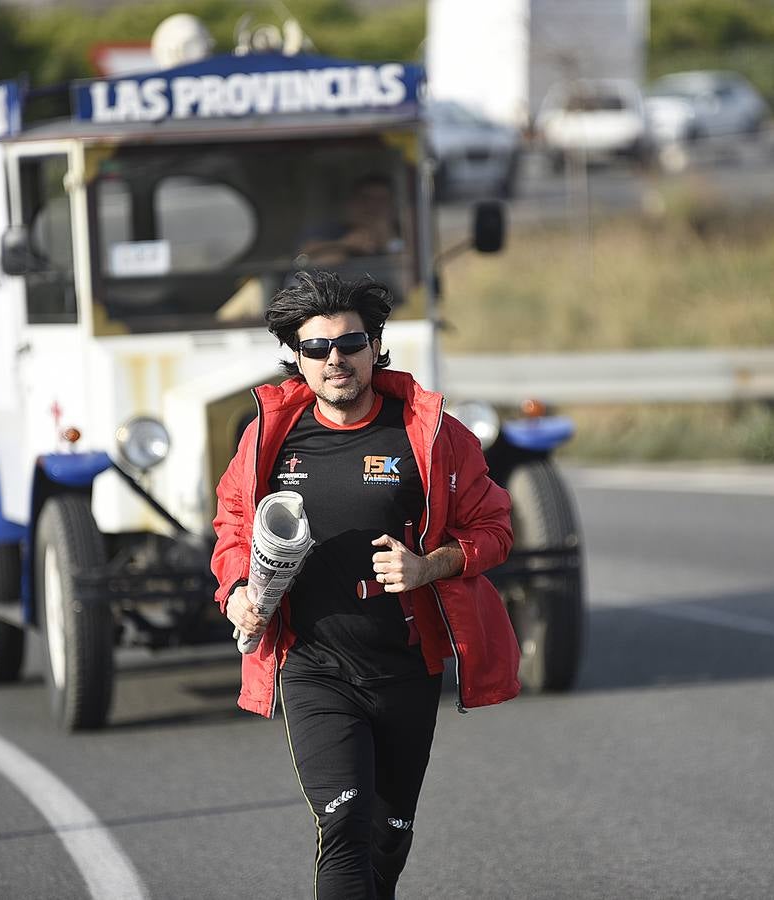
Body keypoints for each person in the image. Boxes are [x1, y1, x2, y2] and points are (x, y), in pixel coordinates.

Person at [211, 271, 521, 899]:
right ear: (296, 358)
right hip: (313, 666)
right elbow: (233, 526)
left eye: (349, 344)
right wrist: (237, 590)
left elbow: (495, 528)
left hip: (407, 669)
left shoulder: (431, 434)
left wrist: (428, 566)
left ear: (375, 345)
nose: (335, 360)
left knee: (386, 841)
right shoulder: (270, 437)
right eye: (317, 348)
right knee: (343, 825)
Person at [295, 175, 403, 268]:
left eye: (381, 200)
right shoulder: (332, 231)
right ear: (351, 203)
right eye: (365, 199)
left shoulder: (405, 233)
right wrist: (346, 244)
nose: (373, 207)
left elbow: (408, 276)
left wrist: (388, 238)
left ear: (392, 206)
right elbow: (301, 257)